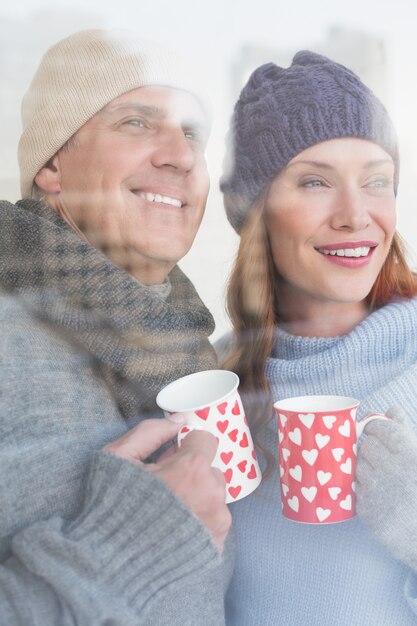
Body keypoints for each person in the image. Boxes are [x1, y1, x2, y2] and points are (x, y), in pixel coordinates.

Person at [0, 29, 232, 625]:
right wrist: (136, 545)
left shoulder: (192, 354)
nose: (180, 155)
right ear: (52, 165)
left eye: (192, 134)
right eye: (136, 122)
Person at [218, 50, 417, 625]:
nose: (356, 215)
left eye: (377, 181)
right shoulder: (217, 391)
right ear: (255, 212)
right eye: (315, 182)